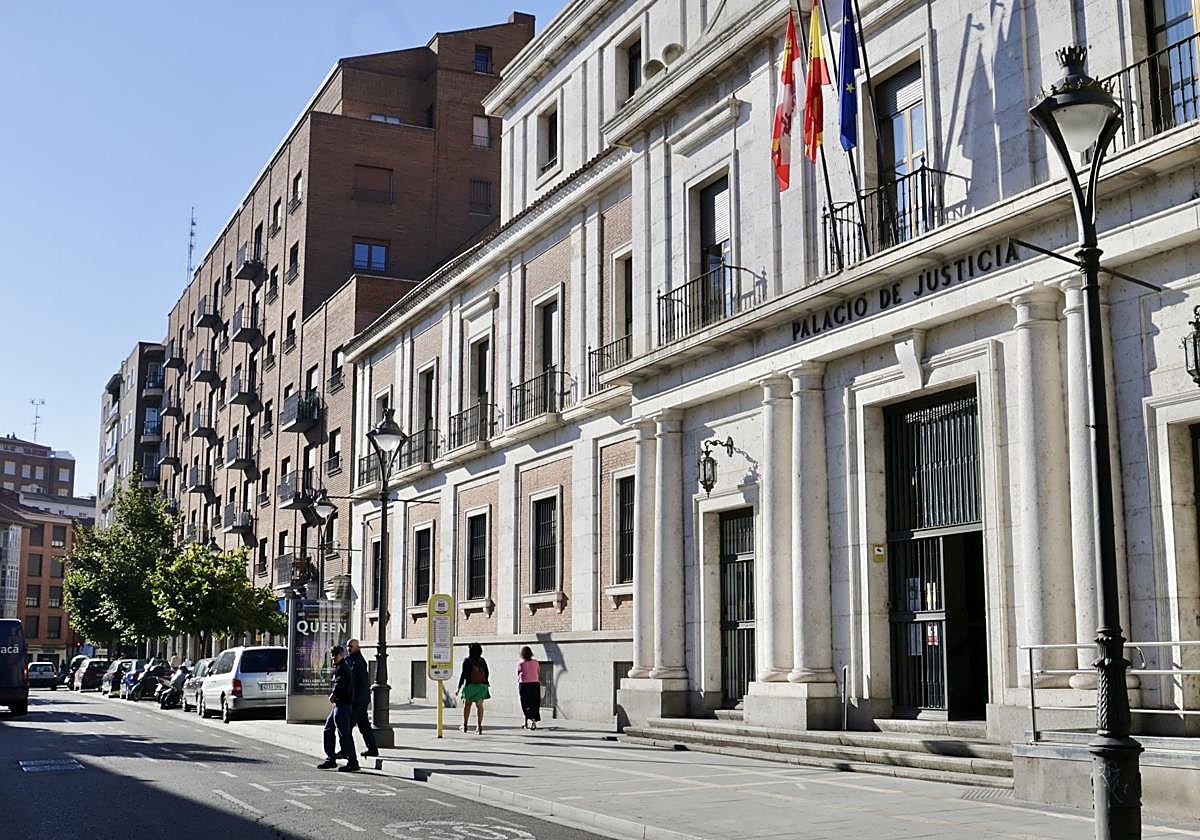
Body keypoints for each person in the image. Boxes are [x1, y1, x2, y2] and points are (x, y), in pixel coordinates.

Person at [317, 645, 358, 772]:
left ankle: (352, 761)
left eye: (335, 656)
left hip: (343, 705)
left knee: (344, 733)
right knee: (328, 729)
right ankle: (331, 759)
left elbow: (340, 684)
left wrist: (333, 694)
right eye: (332, 656)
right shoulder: (340, 667)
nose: (333, 658)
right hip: (339, 705)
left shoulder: (343, 668)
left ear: (341, 655)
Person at [345, 638, 378, 758]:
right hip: (359, 700)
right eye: (348, 646)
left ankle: (348, 753)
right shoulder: (350, 659)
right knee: (364, 726)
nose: (349, 649)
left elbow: (356, 681)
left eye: (351, 646)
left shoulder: (357, 661)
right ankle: (372, 749)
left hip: (358, 700)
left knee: (347, 727)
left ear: (357, 647)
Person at [457, 642, 490, 734]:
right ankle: (479, 727)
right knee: (480, 706)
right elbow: (487, 673)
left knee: (467, 706)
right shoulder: (482, 661)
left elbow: (463, 675)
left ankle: (465, 726)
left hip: (470, 686)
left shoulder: (467, 661)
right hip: (481, 686)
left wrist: (459, 687)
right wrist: (485, 683)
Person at [517, 646, 541, 731]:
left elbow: (518, 673)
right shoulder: (535, 662)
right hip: (535, 684)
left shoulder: (521, 663)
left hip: (524, 685)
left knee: (525, 703)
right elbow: (538, 672)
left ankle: (526, 721)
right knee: (534, 703)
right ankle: (533, 721)